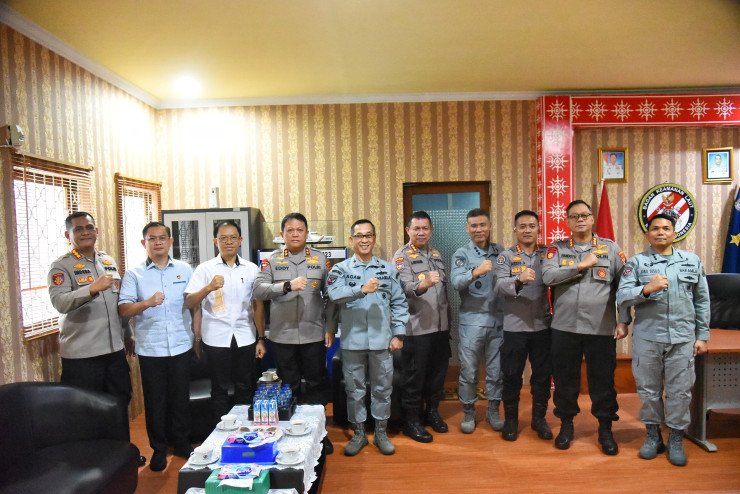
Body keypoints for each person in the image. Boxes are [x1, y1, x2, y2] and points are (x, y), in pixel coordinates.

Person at [48, 211, 145, 466]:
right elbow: (59, 302)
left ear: (96, 231)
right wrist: (91, 288)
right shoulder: (61, 266)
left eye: (89, 227)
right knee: (85, 410)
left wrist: (128, 332)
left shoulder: (107, 261)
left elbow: (117, 304)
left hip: (113, 350)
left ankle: (122, 456)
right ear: (68, 235)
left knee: (119, 403)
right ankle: (91, 461)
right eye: (78, 229)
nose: (85, 232)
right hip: (82, 355)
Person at [617, 213, 710, 466]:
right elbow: (622, 296)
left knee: (680, 392)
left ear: (674, 233)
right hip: (648, 337)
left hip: (682, 338)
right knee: (649, 390)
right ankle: (653, 435)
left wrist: (702, 335)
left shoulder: (691, 261)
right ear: (647, 234)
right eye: (655, 228)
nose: (661, 232)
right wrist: (647, 289)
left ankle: (676, 438)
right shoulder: (636, 263)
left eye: (666, 228)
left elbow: (702, 301)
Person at [541, 199, 630, 455]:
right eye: (574, 216)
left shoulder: (610, 249)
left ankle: (605, 429)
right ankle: (566, 425)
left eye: (584, 215)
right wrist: (580, 266)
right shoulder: (556, 250)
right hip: (565, 327)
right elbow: (548, 277)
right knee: (565, 380)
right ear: (567, 221)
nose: (580, 219)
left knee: (602, 381)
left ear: (592, 219)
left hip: (600, 328)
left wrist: (623, 319)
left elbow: (624, 287)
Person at [253, 212, 337, 453]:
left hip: (313, 334)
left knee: (316, 385)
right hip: (283, 336)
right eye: (290, 230)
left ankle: (319, 435)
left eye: (300, 230)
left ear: (307, 233)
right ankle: (292, 435)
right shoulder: (271, 260)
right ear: (282, 234)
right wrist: (287, 286)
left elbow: (331, 296)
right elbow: (258, 290)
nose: (295, 234)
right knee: (289, 387)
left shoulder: (320, 259)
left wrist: (330, 327)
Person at [327, 219, 409, 456]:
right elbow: (334, 295)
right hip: (352, 341)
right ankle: (359, 433)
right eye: (359, 236)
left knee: (383, 389)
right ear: (351, 239)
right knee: (354, 390)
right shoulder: (340, 270)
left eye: (369, 235)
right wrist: (361, 289)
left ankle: (381, 433)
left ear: (374, 238)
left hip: (382, 341)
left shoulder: (388, 269)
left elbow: (399, 303)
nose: (364, 240)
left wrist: (399, 333)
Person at [118, 221, 194, 471]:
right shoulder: (134, 274)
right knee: (156, 402)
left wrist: (198, 337)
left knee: (181, 399)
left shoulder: (184, 269)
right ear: (144, 243)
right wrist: (147, 303)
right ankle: (159, 450)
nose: (158, 242)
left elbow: (194, 303)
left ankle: (182, 444)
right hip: (151, 349)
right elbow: (124, 309)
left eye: (162, 237)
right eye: (152, 238)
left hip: (181, 344)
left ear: (171, 241)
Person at [185, 220, 266, 423]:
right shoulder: (205, 269)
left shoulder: (251, 269)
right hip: (215, 338)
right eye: (223, 238)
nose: (228, 242)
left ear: (240, 240)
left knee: (245, 386)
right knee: (219, 389)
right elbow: (189, 302)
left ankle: (244, 429)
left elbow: (257, 305)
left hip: (245, 336)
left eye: (233, 237)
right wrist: (208, 288)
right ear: (215, 241)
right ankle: (221, 431)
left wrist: (260, 338)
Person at [494, 210, 553, 441]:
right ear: (515, 230)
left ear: (538, 228)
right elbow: (498, 286)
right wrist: (517, 280)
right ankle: (511, 420)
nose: (527, 230)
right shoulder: (506, 257)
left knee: (542, 376)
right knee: (511, 376)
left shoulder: (548, 254)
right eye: (522, 226)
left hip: (542, 326)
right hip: (514, 327)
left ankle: (539, 419)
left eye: (531, 226)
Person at [393, 210, 451, 443]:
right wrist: (423, 283)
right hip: (416, 329)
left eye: (425, 228)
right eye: (416, 228)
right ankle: (411, 421)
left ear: (430, 230)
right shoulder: (401, 257)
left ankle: (432, 412)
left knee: (437, 375)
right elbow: (405, 287)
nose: (421, 232)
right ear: (408, 230)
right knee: (414, 377)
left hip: (440, 327)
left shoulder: (435, 254)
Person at [450, 208, 505, 434]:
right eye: (474, 225)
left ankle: (493, 410)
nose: (478, 229)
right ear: (467, 228)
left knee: (496, 370)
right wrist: (476, 272)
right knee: (469, 371)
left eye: (482, 225)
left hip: (498, 320)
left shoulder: (500, 251)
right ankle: (469, 412)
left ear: (489, 226)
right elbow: (456, 282)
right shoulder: (461, 254)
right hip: (472, 321)